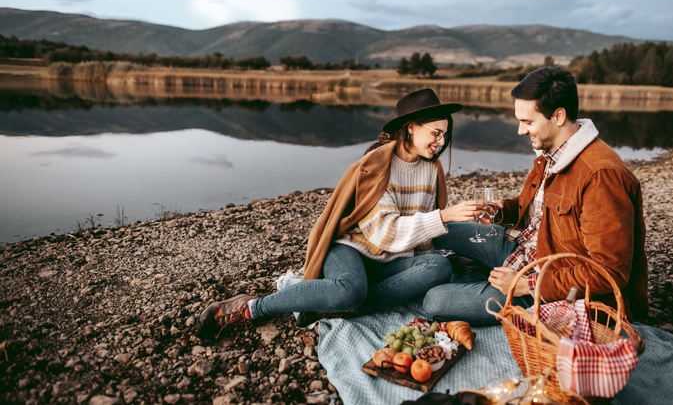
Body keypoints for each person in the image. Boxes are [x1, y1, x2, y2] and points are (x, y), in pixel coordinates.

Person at [196, 88, 484, 338]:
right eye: (435, 133)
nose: (441, 142)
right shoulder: (377, 165)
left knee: (438, 267)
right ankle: (250, 308)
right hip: (351, 248)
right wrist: (445, 217)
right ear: (411, 128)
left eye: (444, 135)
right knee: (349, 289)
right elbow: (384, 234)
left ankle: (335, 303)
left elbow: (422, 236)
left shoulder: (431, 169)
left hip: (392, 258)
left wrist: (430, 262)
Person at [424, 66, 648, 325]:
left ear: (559, 116)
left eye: (528, 122)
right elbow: (537, 211)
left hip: (550, 290)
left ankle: (480, 277)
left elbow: (608, 271)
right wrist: (501, 210)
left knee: (434, 301)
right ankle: (479, 274)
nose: (520, 130)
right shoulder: (552, 154)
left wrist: (526, 285)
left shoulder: (601, 175)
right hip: (523, 248)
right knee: (443, 230)